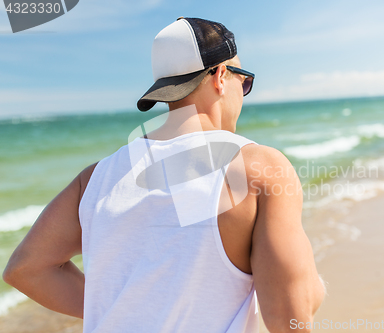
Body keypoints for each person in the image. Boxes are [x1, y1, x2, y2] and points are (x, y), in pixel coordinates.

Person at [3, 17, 325, 332]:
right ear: (221, 77)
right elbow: (290, 320)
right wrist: (314, 286)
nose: (243, 93)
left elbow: (26, 269)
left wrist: (126, 306)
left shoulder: (96, 178)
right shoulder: (260, 168)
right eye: (246, 81)